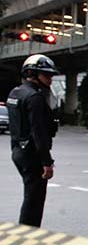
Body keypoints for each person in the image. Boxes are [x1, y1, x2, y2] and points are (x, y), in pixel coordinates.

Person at [7, 55, 59, 234]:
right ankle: (25, 240)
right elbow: (39, 132)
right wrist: (47, 162)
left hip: (18, 150)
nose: (50, 79)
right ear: (32, 73)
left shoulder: (15, 93)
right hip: (32, 155)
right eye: (46, 75)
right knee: (34, 200)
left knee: (30, 196)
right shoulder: (35, 97)